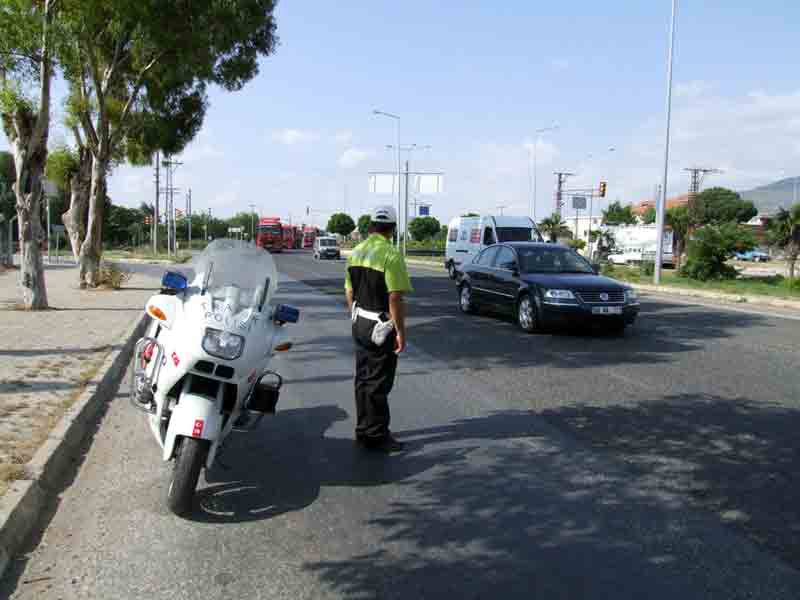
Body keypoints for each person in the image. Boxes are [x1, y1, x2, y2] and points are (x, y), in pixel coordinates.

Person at [344, 205, 413, 452]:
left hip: (359, 322)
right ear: (392, 229)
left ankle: (363, 429)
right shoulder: (391, 255)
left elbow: (349, 291)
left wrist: (356, 315)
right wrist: (400, 332)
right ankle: (376, 435)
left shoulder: (356, 251)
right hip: (380, 326)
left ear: (371, 225)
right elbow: (394, 297)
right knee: (378, 382)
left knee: (362, 378)